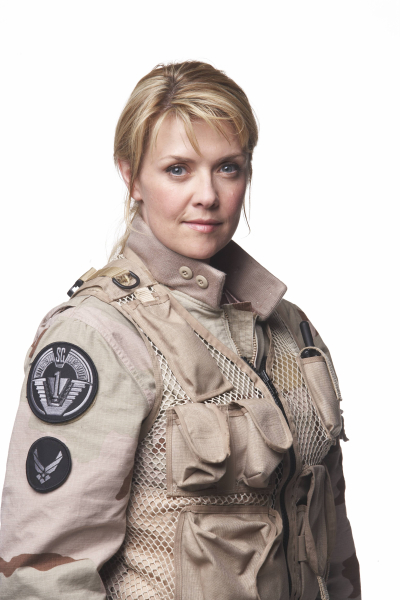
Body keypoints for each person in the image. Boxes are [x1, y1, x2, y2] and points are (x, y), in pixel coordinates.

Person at [0, 61, 361, 600]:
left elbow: (332, 549)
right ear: (131, 176)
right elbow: (44, 580)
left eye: (228, 168)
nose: (207, 195)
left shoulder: (291, 330)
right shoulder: (100, 337)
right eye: (177, 169)